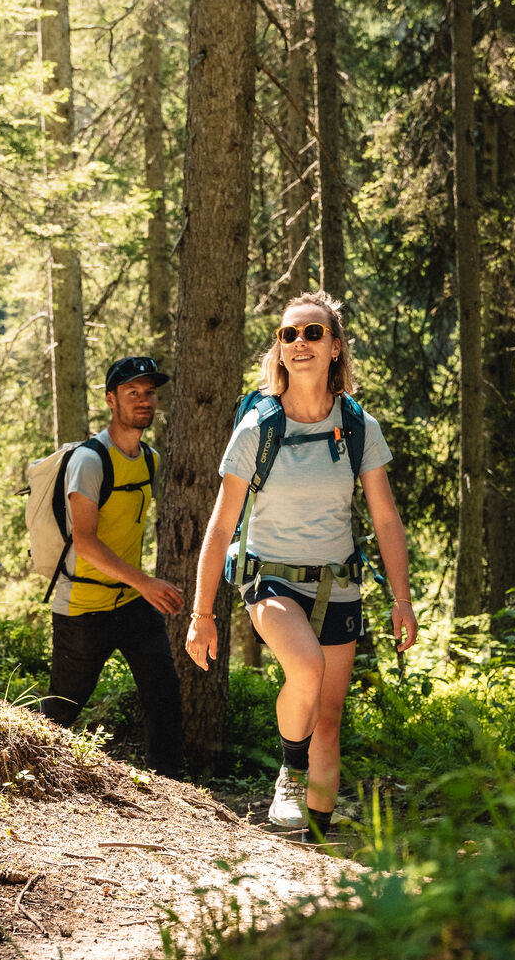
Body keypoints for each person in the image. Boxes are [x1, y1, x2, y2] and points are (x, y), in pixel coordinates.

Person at [184, 292, 419, 837]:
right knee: (306, 668)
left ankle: (315, 843)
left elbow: (386, 520)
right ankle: (288, 777)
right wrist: (202, 612)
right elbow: (220, 526)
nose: (299, 343)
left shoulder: (359, 426)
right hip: (271, 580)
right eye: (288, 335)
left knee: (329, 723)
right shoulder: (258, 428)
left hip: (337, 583)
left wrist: (401, 599)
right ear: (280, 349)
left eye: (312, 333)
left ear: (335, 347)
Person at [40, 354, 186, 778]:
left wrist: (141, 588)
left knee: (163, 693)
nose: (143, 401)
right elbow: (84, 542)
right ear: (111, 400)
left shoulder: (149, 460)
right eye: (132, 393)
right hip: (84, 604)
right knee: (63, 707)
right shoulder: (90, 461)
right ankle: (22, 778)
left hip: (131, 602)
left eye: (149, 393)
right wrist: (146, 582)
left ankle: (172, 792)